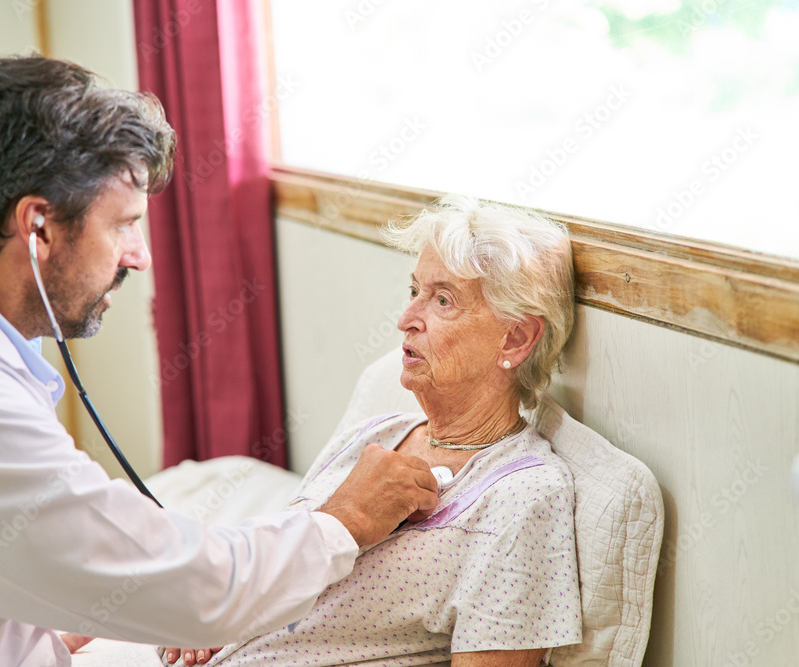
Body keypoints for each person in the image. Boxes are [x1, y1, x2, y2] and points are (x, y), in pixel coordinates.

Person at [0, 55, 438, 665]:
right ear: (38, 227)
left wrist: (29, 617)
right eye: (124, 224)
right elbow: (204, 593)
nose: (140, 256)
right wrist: (344, 520)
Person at [163, 195, 582, 667]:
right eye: (414, 291)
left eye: (443, 300)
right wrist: (224, 609)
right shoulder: (377, 433)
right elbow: (288, 560)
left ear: (516, 338)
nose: (405, 320)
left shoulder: (526, 495)